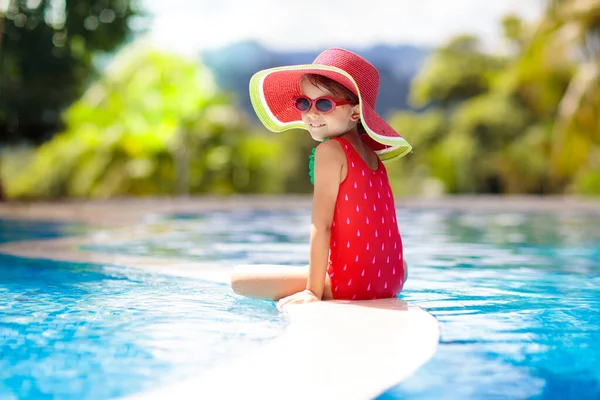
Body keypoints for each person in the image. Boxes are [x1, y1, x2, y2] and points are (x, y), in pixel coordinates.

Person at [230, 48, 412, 310]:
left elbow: (321, 226)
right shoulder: (373, 156)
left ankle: (318, 282)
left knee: (241, 279)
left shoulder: (330, 151)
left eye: (324, 104)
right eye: (304, 103)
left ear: (355, 113)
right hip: (392, 278)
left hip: (353, 285)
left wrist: (312, 291)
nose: (311, 114)